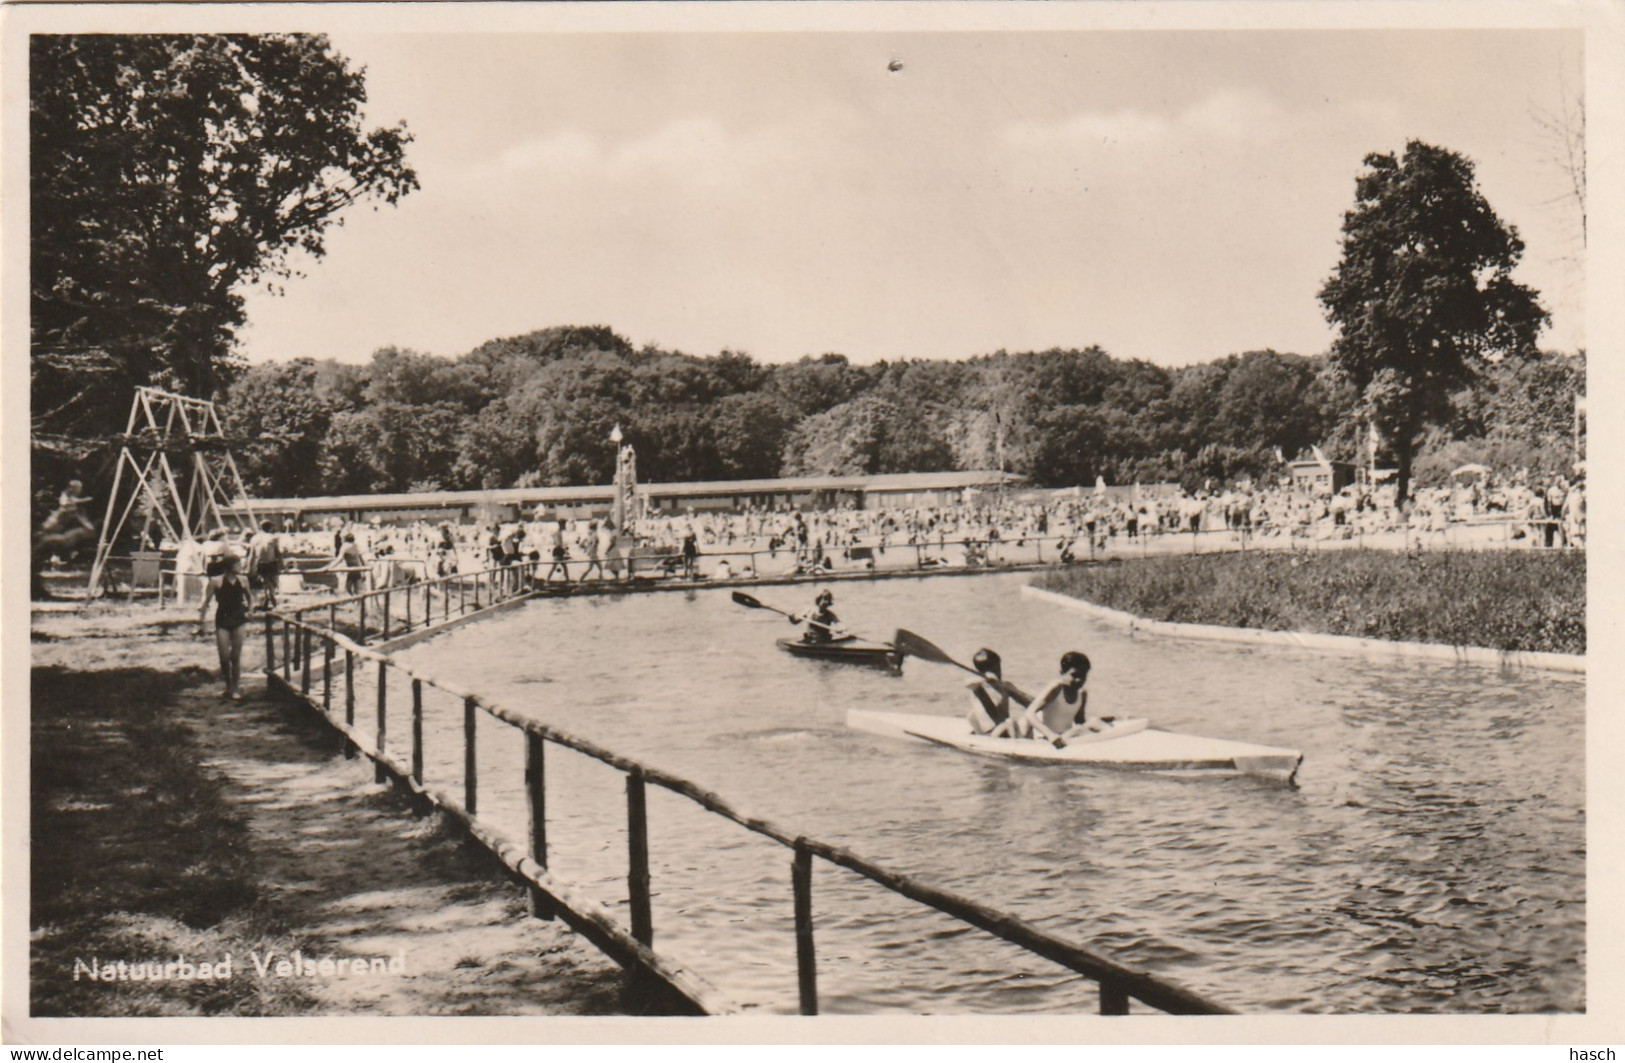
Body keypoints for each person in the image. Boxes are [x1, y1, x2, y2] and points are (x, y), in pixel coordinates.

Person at [197, 552, 253, 700]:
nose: (240, 567)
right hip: (222, 619)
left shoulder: (243, 580)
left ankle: (235, 687)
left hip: (238, 619)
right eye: (238, 564)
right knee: (224, 657)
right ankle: (228, 686)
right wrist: (201, 620)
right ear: (229, 567)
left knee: (235, 656)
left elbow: (250, 597)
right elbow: (206, 602)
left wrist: (251, 610)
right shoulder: (216, 581)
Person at [1017, 651, 1094, 744]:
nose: (1079, 680)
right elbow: (1029, 713)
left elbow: (1080, 721)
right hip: (1046, 739)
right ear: (1062, 673)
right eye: (1074, 675)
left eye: (1083, 675)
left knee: (1094, 723)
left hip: (1066, 737)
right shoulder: (1057, 687)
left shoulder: (1082, 693)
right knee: (1084, 727)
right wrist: (1050, 735)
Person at [966, 649, 1014, 737]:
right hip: (991, 732)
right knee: (1010, 722)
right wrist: (985, 678)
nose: (1000, 671)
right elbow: (967, 683)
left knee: (1013, 722)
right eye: (997, 668)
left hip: (1002, 730)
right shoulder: (977, 686)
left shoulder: (1002, 685)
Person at [247, 520, 283, 608]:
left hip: (260, 563)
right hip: (271, 563)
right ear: (270, 528)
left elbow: (251, 555)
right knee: (272, 582)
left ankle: (268, 598)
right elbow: (278, 553)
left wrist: (248, 567)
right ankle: (272, 598)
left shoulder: (254, 538)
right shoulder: (273, 537)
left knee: (266, 581)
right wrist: (283, 566)